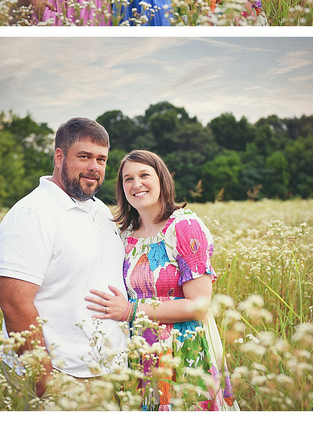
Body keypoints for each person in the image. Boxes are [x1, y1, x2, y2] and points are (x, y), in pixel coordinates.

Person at [85, 151, 236, 411]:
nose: (136, 184)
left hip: (184, 350)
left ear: (162, 180)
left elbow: (199, 306)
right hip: (140, 349)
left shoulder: (184, 226)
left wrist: (131, 311)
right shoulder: (126, 235)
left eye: (144, 175)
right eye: (127, 179)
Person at [0, 118, 127, 400]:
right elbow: (14, 302)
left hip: (107, 371)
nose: (94, 167)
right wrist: (44, 380)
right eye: (84, 156)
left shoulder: (101, 211)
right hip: (62, 375)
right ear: (59, 157)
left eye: (101, 159)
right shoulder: (33, 213)